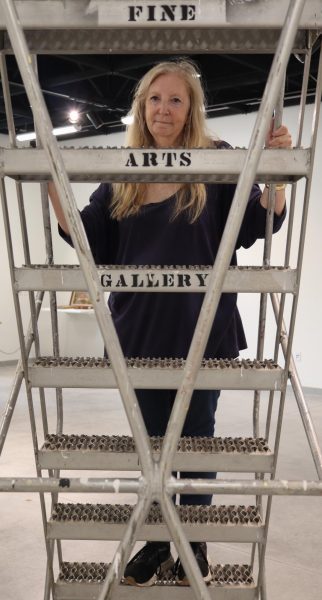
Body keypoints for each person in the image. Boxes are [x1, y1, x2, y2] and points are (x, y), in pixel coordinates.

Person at [48, 59, 292, 587]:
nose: (164, 108)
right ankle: (160, 538)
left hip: (203, 328)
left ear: (191, 108)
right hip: (139, 330)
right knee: (152, 443)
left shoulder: (217, 161)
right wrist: (49, 173)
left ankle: (193, 543)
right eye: (155, 99)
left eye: (176, 99)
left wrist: (276, 167)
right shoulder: (125, 168)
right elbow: (88, 238)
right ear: (141, 106)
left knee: (196, 440)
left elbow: (260, 218)